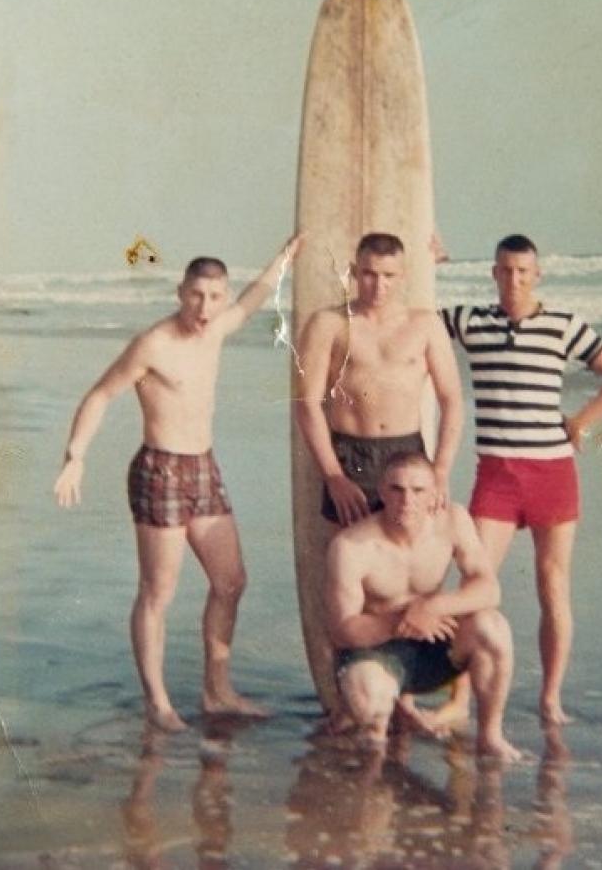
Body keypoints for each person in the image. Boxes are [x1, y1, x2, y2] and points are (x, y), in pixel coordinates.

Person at [54, 235, 303, 731]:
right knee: (158, 593)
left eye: (214, 296)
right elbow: (101, 395)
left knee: (231, 582)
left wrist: (285, 255)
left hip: (204, 469)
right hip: (160, 470)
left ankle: (217, 691)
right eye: (196, 295)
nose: (205, 307)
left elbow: (255, 296)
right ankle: (158, 702)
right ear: (179, 292)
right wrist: (75, 457)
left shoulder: (216, 328)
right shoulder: (154, 344)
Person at [440, 233, 602, 725]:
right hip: (497, 476)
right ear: (493, 273)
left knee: (553, 586)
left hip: (552, 473)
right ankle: (457, 702)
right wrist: (428, 260)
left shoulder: (562, 326)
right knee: (474, 582)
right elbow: (414, 316)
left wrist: (580, 423)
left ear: (537, 275)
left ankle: (550, 699)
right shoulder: (471, 321)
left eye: (523, 272)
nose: (514, 280)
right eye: (505, 271)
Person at [294, 231, 467, 731]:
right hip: (350, 454)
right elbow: (307, 404)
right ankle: (347, 702)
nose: (378, 285)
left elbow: (453, 399)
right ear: (355, 270)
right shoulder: (329, 323)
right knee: (347, 584)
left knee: (412, 579)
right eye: (369, 273)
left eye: (389, 275)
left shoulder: (425, 326)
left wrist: (440, 471)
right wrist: (332, 474)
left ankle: (403, 696)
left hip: (409, 455)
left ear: (404, 276)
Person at [324, 450, 521, 761]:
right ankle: (372, 772)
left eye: (418, 491)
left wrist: (433, 607)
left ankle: (490, 736)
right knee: (370, 705)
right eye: (396, 490)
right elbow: (342, 630)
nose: (407, 501)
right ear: (381, 491)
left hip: (432, 644)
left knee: (493, 627)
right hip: (376, 650)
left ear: (434, 494)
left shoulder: (453, 521)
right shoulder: (351, 546)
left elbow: (488, 589)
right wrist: (402, 620)